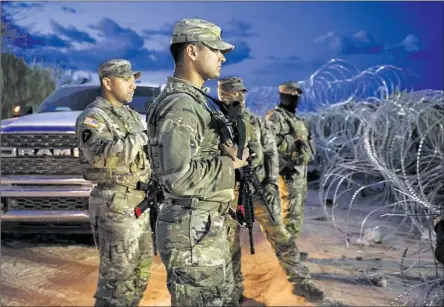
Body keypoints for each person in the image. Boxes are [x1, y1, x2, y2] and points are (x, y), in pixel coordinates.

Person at [145, 18, 249, 307]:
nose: (222, 56)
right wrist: (232, 166)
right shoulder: (182, 105)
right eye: (215, 49)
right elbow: (177, 177)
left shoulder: (196, 101)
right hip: (193, 231)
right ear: (192, 52)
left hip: (202, 226)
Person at [219, 77, 325, 302]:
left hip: (258, 191)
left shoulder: (256, 123)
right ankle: (235, 291)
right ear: (223, 96)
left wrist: (270, 185)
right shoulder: (214, 125)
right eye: (233, 93)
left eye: (241, 93)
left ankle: (300, 282)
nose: (239, 97)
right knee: (230, 246)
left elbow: (270, 154)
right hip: (229, 195)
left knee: (281, 236)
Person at [75, 59, 153, 307]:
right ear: (107, 82)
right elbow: (100, 156)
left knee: (140, 274)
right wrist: (143, 137)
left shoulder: (130, 115)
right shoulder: (93, 117)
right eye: (126, 79)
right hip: (114, 204)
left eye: (134, 79)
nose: (133, 85)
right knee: (116, 282)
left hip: (140, 202)